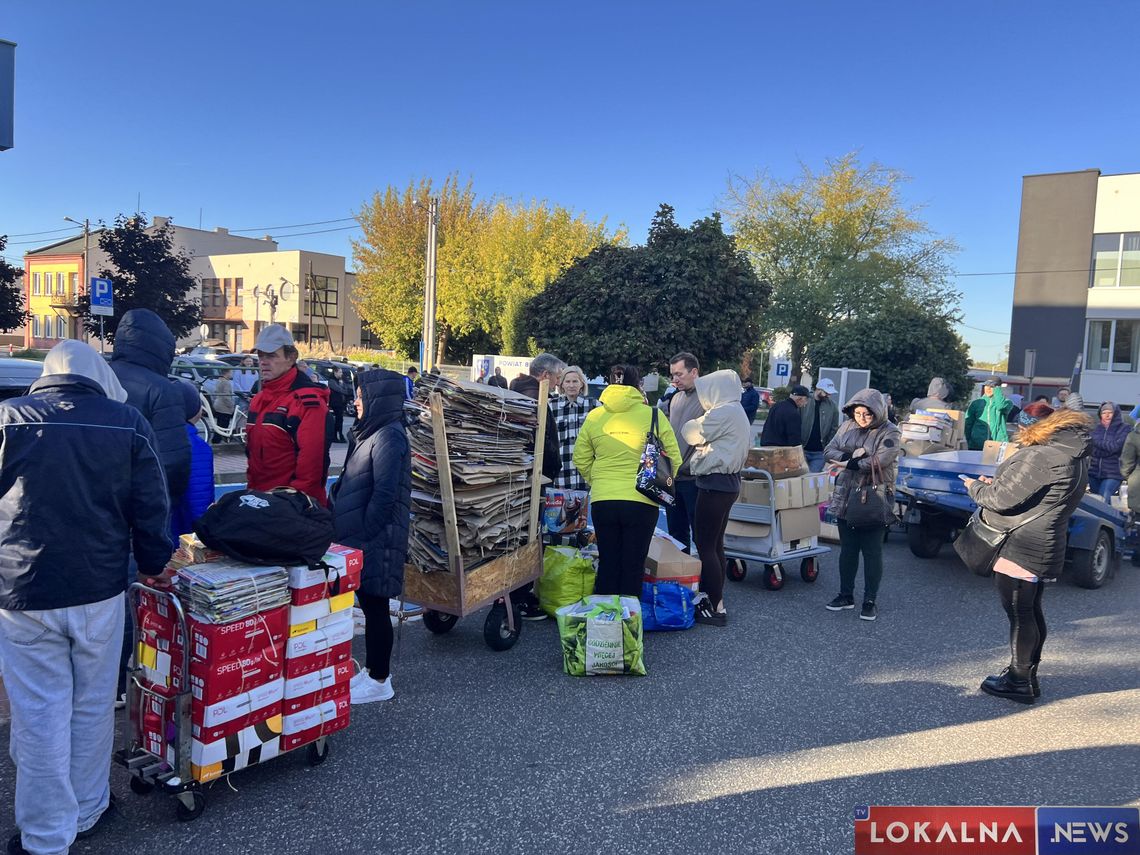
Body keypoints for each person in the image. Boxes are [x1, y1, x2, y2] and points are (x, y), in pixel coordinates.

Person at [0, 341, 173, 855]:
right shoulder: (127, 423)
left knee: (39, 712)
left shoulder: (8, 419)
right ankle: (89, 807)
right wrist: (153, 564)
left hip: (23, 592)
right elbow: (151, 504)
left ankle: (45, 836)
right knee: (94, 705)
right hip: (99, 587)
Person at [963, 403, 1090, 704]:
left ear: (1031, 427)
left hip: (1021, 546)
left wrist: (975, 487)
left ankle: (1019, 681)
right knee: (1031, 611)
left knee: (1020, 615)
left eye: (1021, 426)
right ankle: (1027, 674)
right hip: (1044, 542)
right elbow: (1036, 495)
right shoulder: (1072, 453)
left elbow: (1000, 499)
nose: (1018, 431)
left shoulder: (1041, 456)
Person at [331, 369, 411, 704]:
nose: (356, 401)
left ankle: (380, 680)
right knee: (369, 605)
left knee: (376, 608)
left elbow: (384, 495)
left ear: (379, 397)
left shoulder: (389, 436)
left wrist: (364, 533)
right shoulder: (371, 432)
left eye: (362, 395)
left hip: (377, 540)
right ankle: (372, 671)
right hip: (363, 539)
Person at [574, 364, 681, 597]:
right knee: (634, 564)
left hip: (604, 499)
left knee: (608, 562)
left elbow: (580, 457)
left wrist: (597, 480)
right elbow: (674, 457)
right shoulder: (653, 415)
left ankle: (606, 615)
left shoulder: (595, 417)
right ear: (638, 385)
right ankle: (629, 616)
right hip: (642, 499)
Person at [823, 389, 902, 622]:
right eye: (857, 413)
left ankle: (870, 600)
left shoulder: (890, 431)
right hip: (846, 494)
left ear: (877, 411)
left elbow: (881, 459)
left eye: (867, 414)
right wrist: (852, 457)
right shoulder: (846, 426)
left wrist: (850, 461)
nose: (862, 418)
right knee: (847, 549)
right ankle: (845, 595)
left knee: (872, 551)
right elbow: (828, 450)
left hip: (874, 495)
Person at [680, 370, 751, 626]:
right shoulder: (736, 410)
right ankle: (715, 596)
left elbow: (690, 432)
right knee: (716, 543)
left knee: (705, 544)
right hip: (728, 482)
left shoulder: (723, 412)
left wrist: (697, 427)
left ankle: (715, 606)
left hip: (714, 482)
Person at [109, 308, 190, 503]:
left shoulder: (99, 377)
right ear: (162, 348)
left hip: (96, 498)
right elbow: (173, 461)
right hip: (141, 502)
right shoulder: (162, 389)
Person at [506, 353, 565, 618]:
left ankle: (512, 593)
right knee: (528, 537)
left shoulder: (515, 392)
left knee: (514, 536)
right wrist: (554, 466)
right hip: (533, 479)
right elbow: (543, 443)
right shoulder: (535, 399)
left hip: (516, 478)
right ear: (545, 375)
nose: (558, 383)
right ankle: (519, 597)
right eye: (557, 378)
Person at [246, 324, 333, 505]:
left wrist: (292, 507)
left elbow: (311, 469)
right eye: (260, 355)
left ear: (291, 357)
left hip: (292, 508)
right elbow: (253, 460)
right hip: (260, 503)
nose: (263, 361)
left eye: (271, 355)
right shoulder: (258, 400)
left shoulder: (307, 403)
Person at [660, 352, 704, 553]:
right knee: (676, 536)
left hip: (695, 479)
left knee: (701, 536)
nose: (674, 379)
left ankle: (706, 574)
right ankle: (682, 571)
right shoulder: (676, 398)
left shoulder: (707, 399)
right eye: (672, 375)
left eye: (679, 374)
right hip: (672, 478)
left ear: (694, 372)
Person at [170, 380, 215, 541]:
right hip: (183, 536)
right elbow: (199, 497)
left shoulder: (154, 435)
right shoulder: (196, 446)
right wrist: (203, 534)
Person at [551, 365, 596, 491]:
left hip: (586, 475)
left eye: (575, 381)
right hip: (560, 474)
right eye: (568, 381)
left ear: (582, 384)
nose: (571, 385)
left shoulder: (594, 406)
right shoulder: (551, 407)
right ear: (562, 384)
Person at [965, 376, 1019, 451]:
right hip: (977, 444)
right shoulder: (976, 403)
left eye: (992, 386)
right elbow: (968, 424)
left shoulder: (1007, 402)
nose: (988, 388)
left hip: (997, 444)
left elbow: (1000, 406)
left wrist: (996, 389)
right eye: (986, 385)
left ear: (998, 388)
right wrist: (969, 441)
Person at [1088, 402, 1128, 502]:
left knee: (1104, 499)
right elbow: (1089, 448)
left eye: (1110, 412)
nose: (1107, 415)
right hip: (1093, 472)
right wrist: (1106, 450)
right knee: (1095, 502)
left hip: (1113, 473)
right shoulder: (1095, 428)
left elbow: (1115, 447)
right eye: (1103, 412)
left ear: (1116, 413)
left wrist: (1095, 441)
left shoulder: (1124, 428)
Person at [801, 379, 840, 472]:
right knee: (800, 477)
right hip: (801, 449)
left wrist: (827, 448)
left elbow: (834, 429)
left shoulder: (832, 406)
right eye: (826, 392)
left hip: (819, 452)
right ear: (818, 389)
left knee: (812, 477)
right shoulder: (805, 401)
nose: (828, 395)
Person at [328, 367, 353, 443]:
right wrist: (345, 390)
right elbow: (340, 390)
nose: (341, 374)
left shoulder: (340, 381)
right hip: (335, 403)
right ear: (335, 373)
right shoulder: (332, 381)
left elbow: (346, 388)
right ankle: (335, 435)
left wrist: (343, 387)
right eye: (340, 372)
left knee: (340, 419)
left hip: (341, 402)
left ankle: (340, 435)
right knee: (338, 419)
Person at [211, 368, 235, 435]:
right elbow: (226, 396)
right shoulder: (226, 383)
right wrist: (231, 405)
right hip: (224, 407)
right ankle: (220, 437)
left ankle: (217, 437)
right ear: (227, 373)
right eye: (231, 372)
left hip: (218, 404)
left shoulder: (219, 381)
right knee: (224, 424)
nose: (232, 374)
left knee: (219, 423)